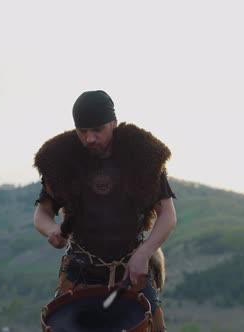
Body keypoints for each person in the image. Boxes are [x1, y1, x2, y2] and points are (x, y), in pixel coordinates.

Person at [33, 90, 177, 332]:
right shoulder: (62, 160)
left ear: (114, 123)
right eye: (83, 131)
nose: (90, 138)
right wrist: (52, 229)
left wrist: (144, 254)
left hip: (130, 271)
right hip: (80, 270)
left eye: (97, 130)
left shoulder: (143, 158)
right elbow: (42, 213)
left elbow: (168, 216)